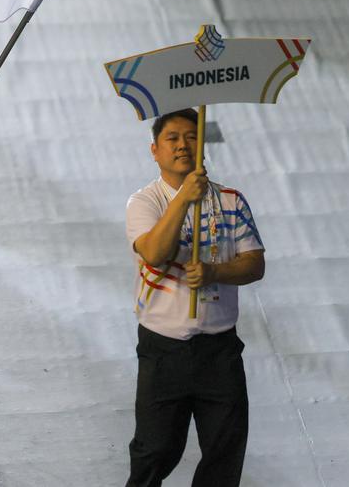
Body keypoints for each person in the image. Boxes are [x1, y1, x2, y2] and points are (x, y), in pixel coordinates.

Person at [124, 108, 265, 487]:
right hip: (163, 349)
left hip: (219, 350)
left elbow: (254, 264)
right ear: (155, 150)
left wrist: (216, 271)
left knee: (225, 448)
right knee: (155, 449)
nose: (182, 145)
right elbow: (153, 252)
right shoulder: (144, 202)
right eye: (172, 138)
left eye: (191, 137)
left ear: (202, 146)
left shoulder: (232, 201)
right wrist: (183, 200)